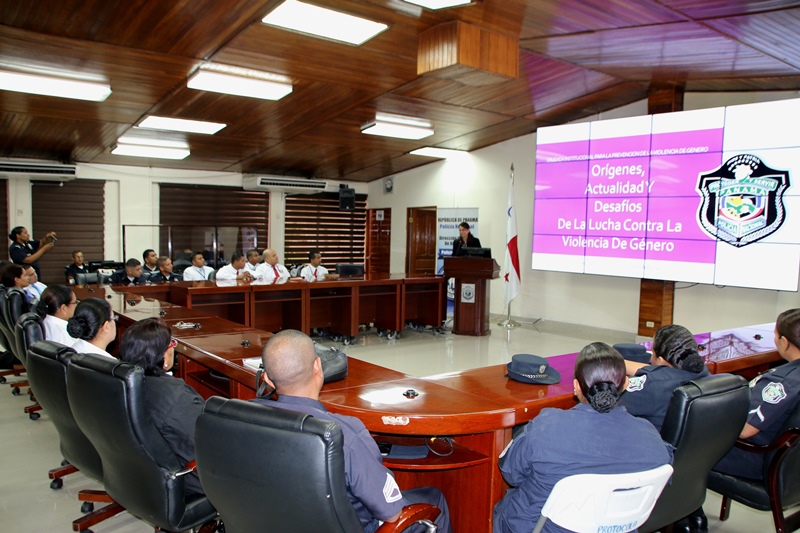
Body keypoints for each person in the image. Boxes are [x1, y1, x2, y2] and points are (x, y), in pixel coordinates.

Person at [254, 330, 452, 533]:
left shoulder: (245, 417)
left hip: (274, 523)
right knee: (434, 498)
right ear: (318, 366)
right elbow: (392, 512)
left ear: (267, 379)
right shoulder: (343, 434)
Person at [493, 342, 673, 533]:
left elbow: (512, 473)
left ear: (576, 386)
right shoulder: (651, 438)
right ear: (626, 384)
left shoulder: (546, 427)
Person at [117, 318, 205, 496]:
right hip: (187, 475)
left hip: (141, 470)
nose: (174, 349)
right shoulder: (176, 398)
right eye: (172, 344)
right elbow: (208, 438)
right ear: (163, 356)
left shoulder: (121, 382)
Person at [713, 308, 800, 480]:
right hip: (790, 462)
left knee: (678, 445)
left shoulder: (782, 382)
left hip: (755, 457)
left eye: (775, 335)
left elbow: (744, 430)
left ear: (784, 342)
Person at [621, 324, 710, 431]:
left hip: (653, 438)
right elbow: (660, 372)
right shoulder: (702, 371)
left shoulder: (652, 386)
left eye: (652, 353)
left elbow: (612, 399)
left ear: (660, 361)